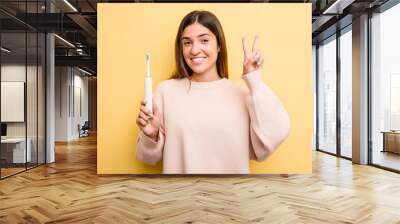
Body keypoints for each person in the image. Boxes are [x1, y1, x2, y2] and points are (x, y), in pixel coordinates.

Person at [135, 10, 290, 174]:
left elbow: (273, 137)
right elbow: (148, 158)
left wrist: (254, 80)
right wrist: (151, 136)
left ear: (219, 46)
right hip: (180, 196)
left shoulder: (243, 93)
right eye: (187, 43)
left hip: (231, 197)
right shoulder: (165, 92)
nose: (194, 50)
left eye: (204, 40)